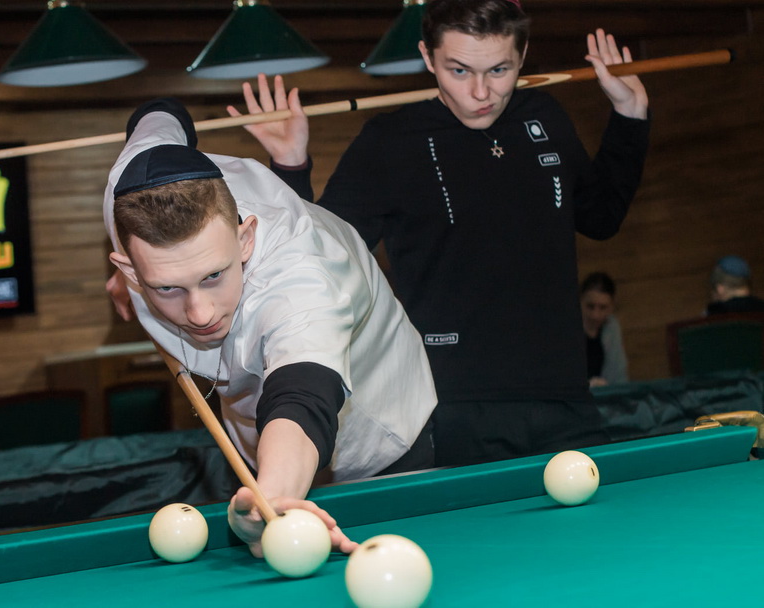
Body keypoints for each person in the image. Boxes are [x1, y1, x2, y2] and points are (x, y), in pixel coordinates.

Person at [226, 0, 650, 467]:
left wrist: (629, 113)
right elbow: (322, 257)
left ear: (523, 55)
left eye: (499, 70)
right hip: (449, 407)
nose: (481, 92)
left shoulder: (544, 114)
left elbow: (600, 218)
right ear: (428, 57)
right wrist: (291, 167)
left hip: (565, 394)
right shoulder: (390, 140)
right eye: (459, 70)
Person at [103, 98, 436, 558]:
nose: (200, 313)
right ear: (129, 265)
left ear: (246, 239)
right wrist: (135, 284)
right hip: (259, 444)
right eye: (169, 287)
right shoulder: (130, 186)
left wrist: (273, 497)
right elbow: (160, 114)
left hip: (377, 437)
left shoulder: (302, 280)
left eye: (213, 276)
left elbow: (303, 396)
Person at [580, 272, 628, 387]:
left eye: (602, 307)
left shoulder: (611, 328)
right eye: (590, 306)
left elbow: (619, 376)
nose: (595, 315)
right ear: (580, 301)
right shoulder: (566, 330)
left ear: (611, 306)